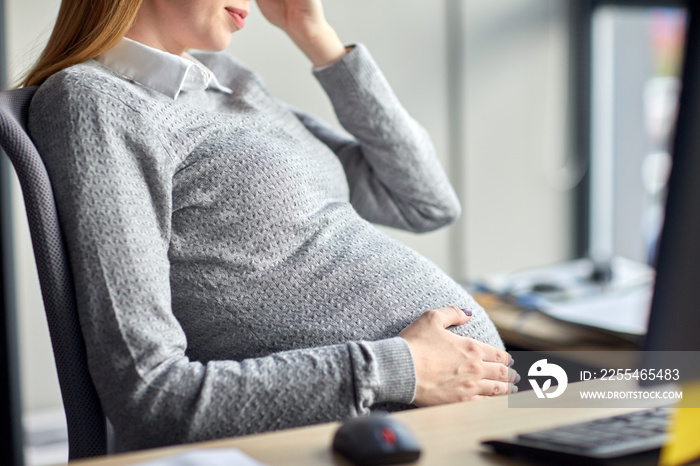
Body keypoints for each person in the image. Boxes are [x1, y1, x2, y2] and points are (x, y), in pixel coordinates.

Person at [24, 0, 516, 452]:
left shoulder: (222, 79)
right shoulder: (95, 102)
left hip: (458, 417)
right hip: (369, 435)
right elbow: (150, 396)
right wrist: (398, 368)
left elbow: (424, 199)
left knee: (593, 397)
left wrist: (314, 33)